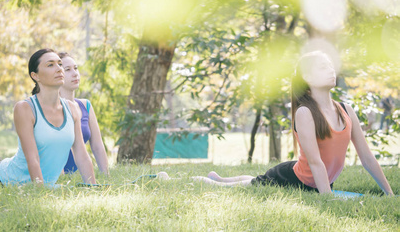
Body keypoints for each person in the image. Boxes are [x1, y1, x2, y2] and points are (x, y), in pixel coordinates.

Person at [158, 51, 394, 196]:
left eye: (330, 65)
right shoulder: (305, 112)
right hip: (291, 179)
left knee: (252, 181)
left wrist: (390, 194)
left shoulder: (346, 110)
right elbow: (315, 162)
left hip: (299, 172)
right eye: (323, 67)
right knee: (238, 188)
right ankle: (179, 180)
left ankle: (218, 176)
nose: (331, 69)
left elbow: (367, 158)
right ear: (308, 78)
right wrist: (327, 198)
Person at [0, 49, 96, 186]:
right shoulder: (25, 108)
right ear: (35, 76)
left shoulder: (71, 108)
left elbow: (81, 153)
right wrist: (41, 191)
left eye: (60, 64)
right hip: (6, 178)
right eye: (50, 65)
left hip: (46, 183)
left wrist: (93, 187)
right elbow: (33, 159)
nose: (59, 69)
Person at [58, 52, 109, 175]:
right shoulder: (51, 108)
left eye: (75, 68)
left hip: (77, 176)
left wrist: (106, 176)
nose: (75, 73)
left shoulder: (85, 105)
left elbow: (97, 145)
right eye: (68, 70)